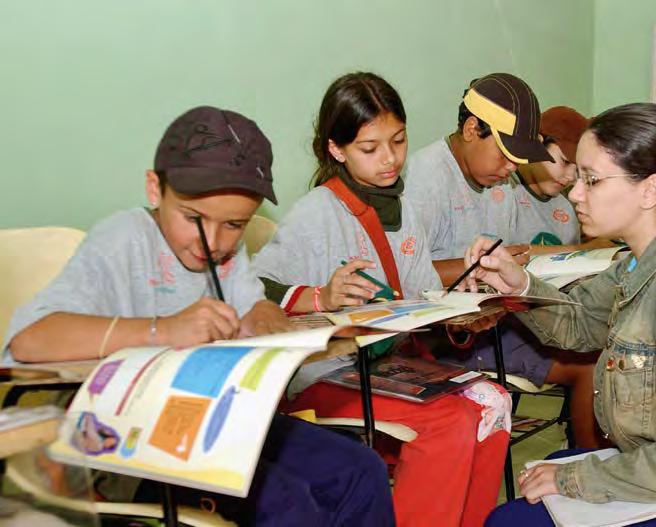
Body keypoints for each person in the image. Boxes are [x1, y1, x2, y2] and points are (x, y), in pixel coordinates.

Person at [3, 105, 395, 526]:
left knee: (361, 471)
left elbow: (254, 308)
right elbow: (29, 338)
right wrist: (164, 330)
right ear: (155, 190)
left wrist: (264, 322)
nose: (213, 241)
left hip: (215, 418)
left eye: (234, 225)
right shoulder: (123, 240)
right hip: (126, 441)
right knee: (288, 504)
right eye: (194, 218)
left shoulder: (226, 253)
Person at [465, 102, 656, 524]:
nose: (575, 193)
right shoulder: (643, 258)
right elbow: (579, 324)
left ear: (650, 190)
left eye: (592, 180)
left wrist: (576, 479)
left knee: (510, 519)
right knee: (545, 476)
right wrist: (520, 285)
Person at [252, 72, 509, 527]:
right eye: (370, 149)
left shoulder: (405, 209)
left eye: (399, 141)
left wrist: (462, 314)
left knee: (493, 401)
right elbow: (254, 290)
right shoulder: (317, 212)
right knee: (449, 423)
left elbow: (421, 296)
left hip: (386, 364)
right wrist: (319, 295)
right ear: (337, 149)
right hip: (325, 374)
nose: (390, 159)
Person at [405, 74, 603, 447]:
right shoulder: (426, 179)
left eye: (519, 159)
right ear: (470, 129)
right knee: (589, 366)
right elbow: (403, 275)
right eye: (505, 154)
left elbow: (510, 255)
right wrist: (482, 267)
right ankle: (581, 474)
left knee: (601, 347)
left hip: (494, 318)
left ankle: (588, 471)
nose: (513, 167)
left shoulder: (502, 184)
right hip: (443, 339)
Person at [508, 106, 615, 254]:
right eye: (564, 162)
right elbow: (503, 254)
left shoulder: (566, 206)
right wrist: (580, 249)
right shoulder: (502, 190)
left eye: (577, 170)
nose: (571, 177)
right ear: (537, 143)